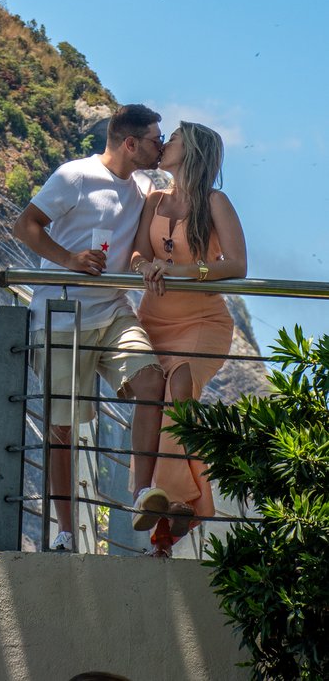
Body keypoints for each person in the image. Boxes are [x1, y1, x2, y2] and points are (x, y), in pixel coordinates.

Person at [14, 104, 169, 552]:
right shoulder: (74, 176)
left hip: (114, 311)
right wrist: (71, 261)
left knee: (150, 380)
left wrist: (145, 265)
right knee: (63, 428)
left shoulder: (142, 188)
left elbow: (135, 248)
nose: (160, 147)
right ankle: (65, 531)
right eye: (156, 140)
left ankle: (141, 493)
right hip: (62, 316)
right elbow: (25, 225)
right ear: (130, 143)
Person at [130, 121, 247, 556]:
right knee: (160, 400)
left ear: (191, 150)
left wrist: (185, 271)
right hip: (155, 319)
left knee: (181, 384)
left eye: (173, 138)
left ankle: (169, 494)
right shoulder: (155, 200)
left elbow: (236, 265)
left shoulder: (215, 201)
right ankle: (179, 504)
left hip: (202, 319)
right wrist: (144, 266)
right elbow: (139, 251)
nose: (164, 144)